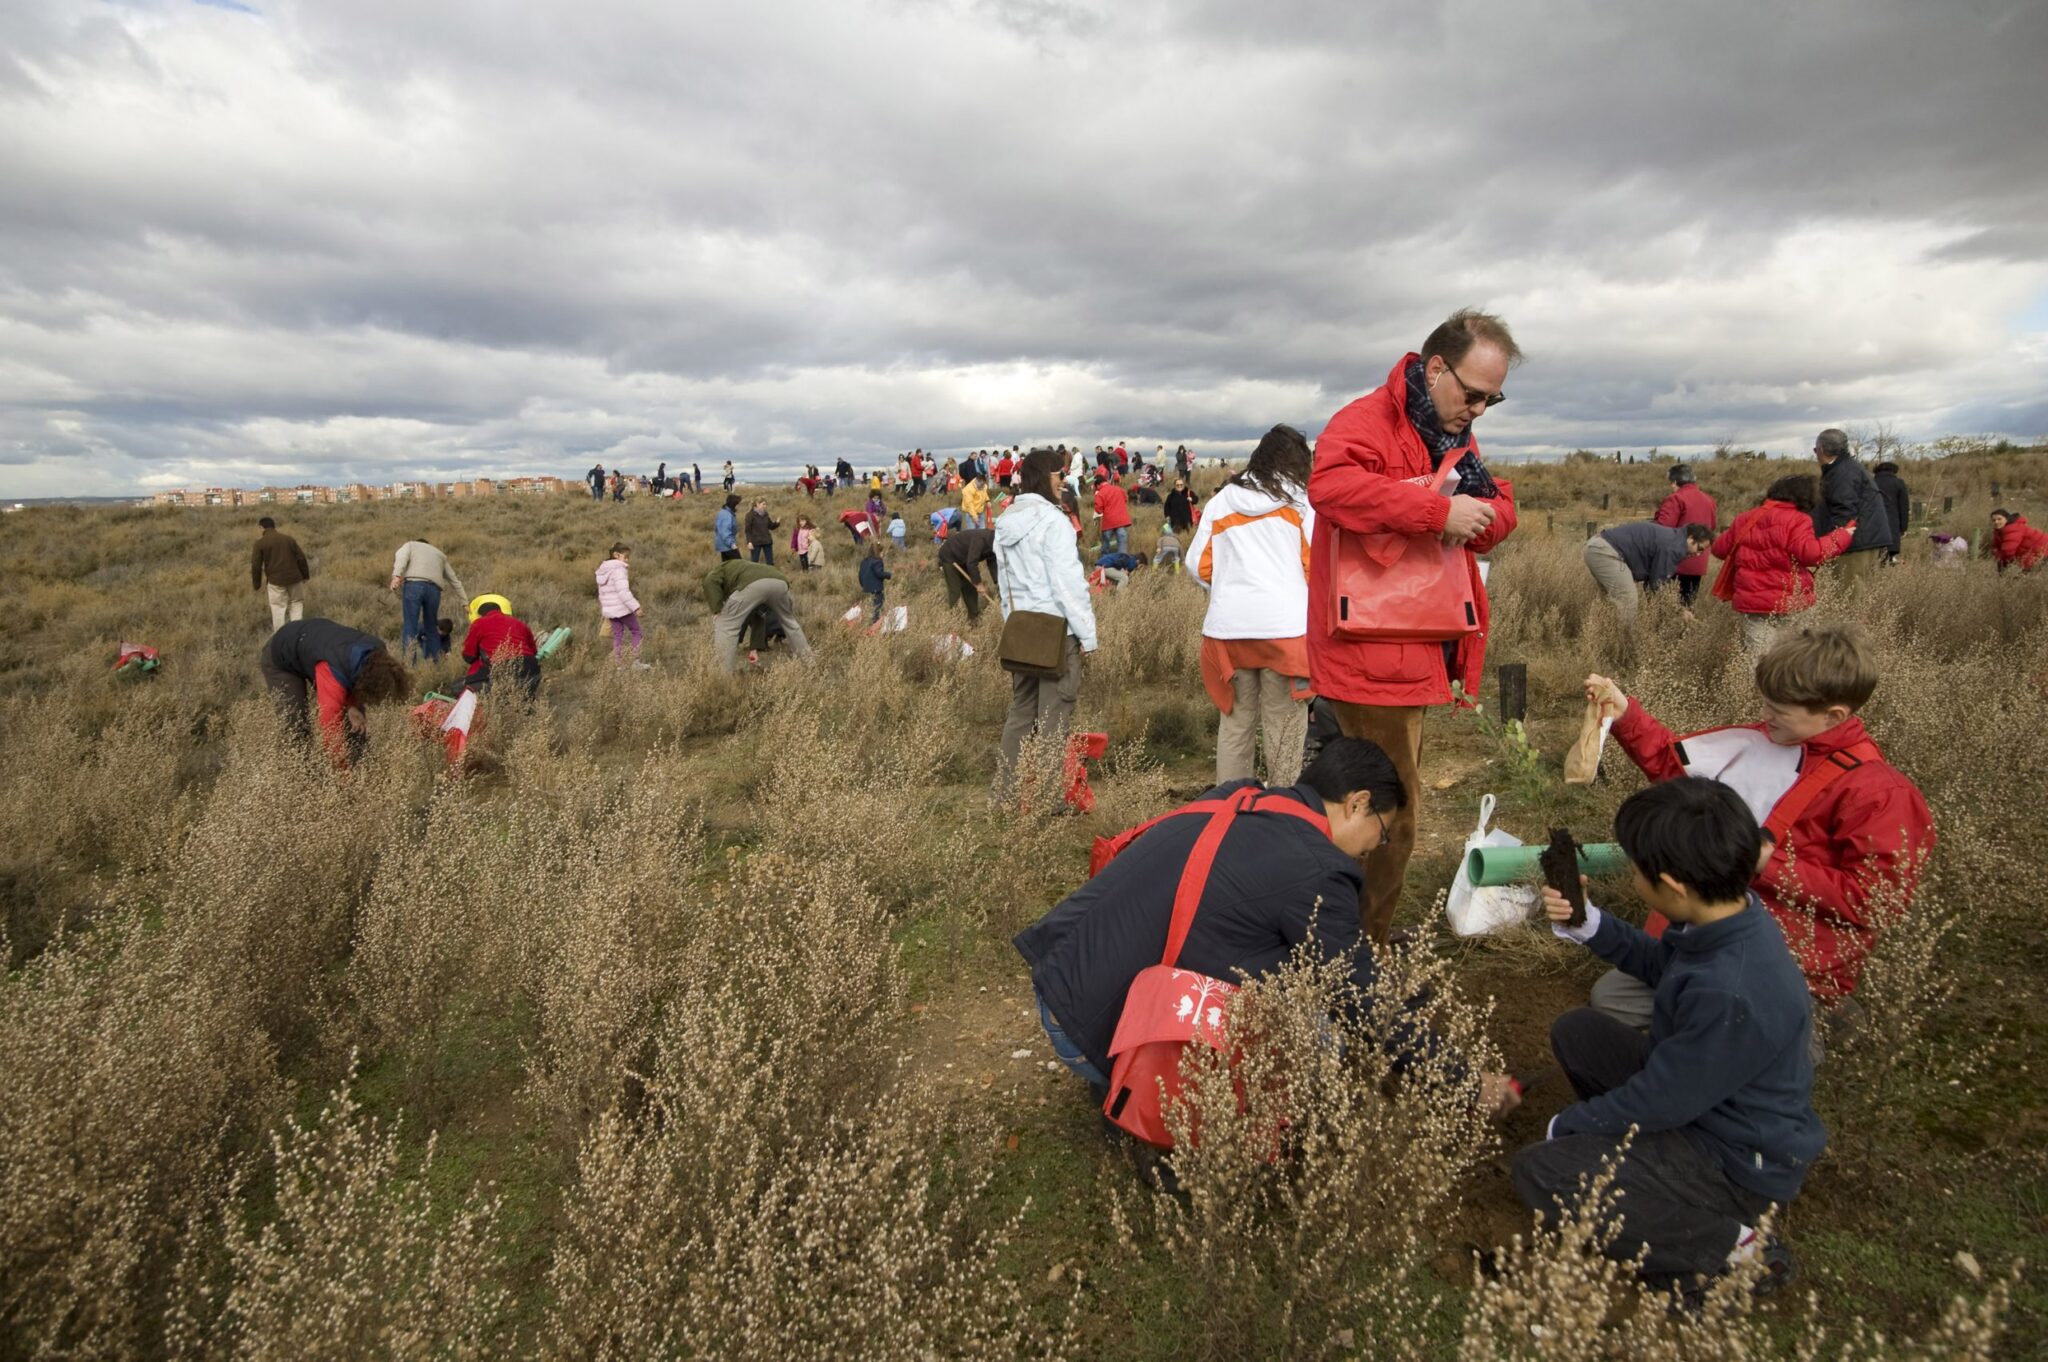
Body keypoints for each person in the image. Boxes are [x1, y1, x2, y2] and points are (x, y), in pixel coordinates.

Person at [1015, 736, 1521, 1116]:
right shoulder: (1318, 869)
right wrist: (1466, 1083)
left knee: (1284, 977)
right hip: (1084, 1028)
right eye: (1381, 833)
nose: (1374, 849)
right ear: (1357, 804)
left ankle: (1113, 1065)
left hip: (1059, 981)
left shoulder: (1243, 799)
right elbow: (1363, 999)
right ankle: (1148, 1105)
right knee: (1321, 1042)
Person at [1512, 777, 1819, 1300]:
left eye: (1636, 869)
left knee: (1543, 1172)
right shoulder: (1727, 915)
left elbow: (1663, 1099)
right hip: (1705, 1104)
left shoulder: (1733, 989)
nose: (1630, 873)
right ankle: (1633, 1163)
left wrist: (1569, 1124)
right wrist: (1592, 927)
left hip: (1737, 1163)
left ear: (1673, 887)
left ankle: (1734, 1246)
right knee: (1579, 1032)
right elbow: (1663, 965)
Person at [1581, 623, 1934, 1040]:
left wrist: (1767, 862)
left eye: (1779, 710)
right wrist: (1626, 716)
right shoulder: (1766, 740)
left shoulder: (1878, 794)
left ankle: (1809, 1027)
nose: (1765, 717)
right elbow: (1680, 773)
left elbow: (1875, 901)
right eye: (1765, 704)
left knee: (1730, 1042)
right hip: (1701, 934)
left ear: (1833, 714)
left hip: (1784, 958)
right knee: (1612, 1000)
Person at [1307, 308, 1520, 944]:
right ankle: (1360, 940)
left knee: (1374, 800)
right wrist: (1434, 511)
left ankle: (1346, 930)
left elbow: (1499, 512)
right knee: (1393, 810)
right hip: (1372, 655)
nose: (1479, 410)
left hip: (1412, 650)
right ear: (1435, 369)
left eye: (1493, 399)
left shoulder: (1449, 434)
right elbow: (1331, 486)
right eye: (1473, 393)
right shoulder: (1366, 421)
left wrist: (1471, 515)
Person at [1185, 423, 1317, 788]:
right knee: (1285, 725)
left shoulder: (1222, 501)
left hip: (1228, 631)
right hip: (1286, 631)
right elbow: (1317, 566)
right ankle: (1282, 808)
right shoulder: (1302, 503)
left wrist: (1230, 585)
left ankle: (1229, 807)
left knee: (1236, 721)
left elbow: (1197, 566)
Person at [994, 448, 1098, 799]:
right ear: (1045, 477)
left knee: (1021, 714)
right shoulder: (1055, 522)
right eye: (1059, 475)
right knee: (1055, 719)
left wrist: (1011, 623)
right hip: (1057, 632)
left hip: (1022, 630)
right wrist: (1088, 635)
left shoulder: (1006, 522)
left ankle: (1004, 795)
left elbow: (1004, 583)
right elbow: (1067, 584)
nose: (1064, 481)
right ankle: (1049, 802)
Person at [1709, 475, 1853, 652]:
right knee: (1794, 656)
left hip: (1753, 603)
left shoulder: (1746, 518)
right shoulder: (1798, 520)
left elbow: (1719, 549)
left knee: (1759, 659)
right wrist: (1841, 537)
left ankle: (1758, 680)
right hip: (1790, 600)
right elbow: (1811, 554)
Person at [259, 618, 411, 767]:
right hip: (281, 654)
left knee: (357, 722)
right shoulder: (332, 673)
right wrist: (341, 768)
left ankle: (363, 766)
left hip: (315, 641)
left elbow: (355, 681)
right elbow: (330, 723)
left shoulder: (379, 652)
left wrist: (353, 706)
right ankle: (296, 772)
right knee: (296, 723)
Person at [1583, 520, 1715, 627]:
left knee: (1610, 603)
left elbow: (1652, 584)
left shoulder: (1675, 539)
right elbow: (1657, 584)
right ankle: (1626, 648)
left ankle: (1601, 638)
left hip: (1598, 548)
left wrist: (1662, 611)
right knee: (1627, 599)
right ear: (1691, 538)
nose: (1698, 554)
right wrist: (1679, 611)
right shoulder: (1674, 547)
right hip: (1606, 552)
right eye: (1699, 549)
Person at [703, 558, 814, 672]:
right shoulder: (744, 568)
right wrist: (754, 649)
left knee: (726, 624)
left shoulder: (719, 570)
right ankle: (810, 664)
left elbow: (709, 580)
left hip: (753, 585)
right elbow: (758, 616)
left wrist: (717, 610)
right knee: (790, 623)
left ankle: (722, 675)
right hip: (779, 582)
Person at [1811, 428, 1890, 581]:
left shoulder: (1843, 473)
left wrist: (1831, 542)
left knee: (1850, 594)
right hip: (1863, 539)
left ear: (1821, 449)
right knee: (1857, 592)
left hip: (1854, 545)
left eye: (1815, 450)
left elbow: (1844, 510)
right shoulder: (1846, 468)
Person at [389, 537, 466, 662]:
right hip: (434, 590)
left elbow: (401, 555)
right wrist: (465, 602)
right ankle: (435, 664)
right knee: (431, 627)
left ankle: (409, 664)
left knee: (410, 626)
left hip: (414, 585)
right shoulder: (439, 554)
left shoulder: (411, 545)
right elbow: (454, 580)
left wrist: (396, 575)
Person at [1655, 465, 1718, 605]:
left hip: (1675, 562)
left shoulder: (1675, 499)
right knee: (1688, 604)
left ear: (1675, 482)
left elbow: (1663, 530)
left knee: (1667, 605)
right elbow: (1712, 527)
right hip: (1698, 562)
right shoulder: (1709, 500)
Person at [459, 595, 541, 699]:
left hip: (503, 669)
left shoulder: (479, 623)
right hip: (532, 671)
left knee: (466, 687)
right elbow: (533, 651)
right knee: (522, 698)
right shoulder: (520, 624)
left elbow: (468, 655)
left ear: (480, 615)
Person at [251, 515, 311, 630]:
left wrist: (256, 584)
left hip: (275, 581)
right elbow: (301, 558)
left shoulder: (260, 543)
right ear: (273, 526)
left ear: (261, 528)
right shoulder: (288, 539)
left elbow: (256, 566)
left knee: (278, 607)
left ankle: (280, 636)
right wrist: (305, 575)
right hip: (295, 578)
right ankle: (296, 632)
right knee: (296, 603)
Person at [596, 542, 649, 669]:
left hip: (610, 611)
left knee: (618, 636)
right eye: (625, 557)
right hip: (622, 609)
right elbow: (623, 592)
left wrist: (607, 609)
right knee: (636, 632)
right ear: (616, 555)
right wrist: (636, 607)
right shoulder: (619, 569)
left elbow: (602, 594)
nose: (627, 560)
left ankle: (619, 665)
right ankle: (635, 661)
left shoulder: (603, 571)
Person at [938, 525, 998, 621]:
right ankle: (954, 621)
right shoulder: (981, 539)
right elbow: (972, 563)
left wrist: (997, 582)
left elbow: (992, 562)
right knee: (955, 590)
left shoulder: (995, 544)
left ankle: (974, 619)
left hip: (964, 558)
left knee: (970, 588)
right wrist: (979, 584)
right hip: (950, 556)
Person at [1871, 461, 1909, 564]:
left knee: (1876, 553)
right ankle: (1889, 564)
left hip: (1874, 521)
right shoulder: (1898, 483)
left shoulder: (1871, 482)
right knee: (1890, 551)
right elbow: (1904, 506)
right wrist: (1904, 527)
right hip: (1893, 522)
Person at [1990, 508, 2048, 573]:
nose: (1996, 522)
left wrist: (1998, 555)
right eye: (1993, 520)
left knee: (2029, 575)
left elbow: (2007, 552)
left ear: (2006, 519)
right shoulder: (1999, 532)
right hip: (2031, 553)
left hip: (2043, 550)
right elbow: (1995, 547)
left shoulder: (2012, 529)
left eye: (1999, 519)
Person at [1091, 471, 1132, 556]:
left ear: (1098, 485)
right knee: (1122, 547)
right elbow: (1125, 500)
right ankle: (1122, 565)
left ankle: (1106, 564)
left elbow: (1098, 510)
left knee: (1106, 547)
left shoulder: (1100, 493)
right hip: (1122, 521)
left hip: (1108, 523)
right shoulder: (1119, 489)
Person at [858, 538, 892, 623]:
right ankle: (875, 623)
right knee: (878, 606)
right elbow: (879, 573)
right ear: (878, 551)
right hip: (876, 588)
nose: (883, 553)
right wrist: (889, 575)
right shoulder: (877, 562)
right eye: (881, 551)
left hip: (866, 587)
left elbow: (860, 574)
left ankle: (867, 621)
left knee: (869, 606)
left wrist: (863, 584)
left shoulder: (865, 561)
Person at [744, 498, 780, 565]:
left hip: (767, 541)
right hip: (756, 542)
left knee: (770, 562)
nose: (765, 506)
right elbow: (747, 530)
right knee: (754, 562)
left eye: (765, 504)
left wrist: (777, 523)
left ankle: (770, 575)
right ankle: (754, 575)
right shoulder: (750, 515)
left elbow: (770, 526)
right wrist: (749, 542)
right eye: (763, 504)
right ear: (757, 504)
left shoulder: (765, 514)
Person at [714, 494, 742, 562]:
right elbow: (724, 532)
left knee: (727, 566)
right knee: (739, 565)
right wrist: (732, 544)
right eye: (737, 504)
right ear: (733, 504)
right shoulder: (726, 515)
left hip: (723, 545)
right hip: (727, 546)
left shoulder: (724, 512)